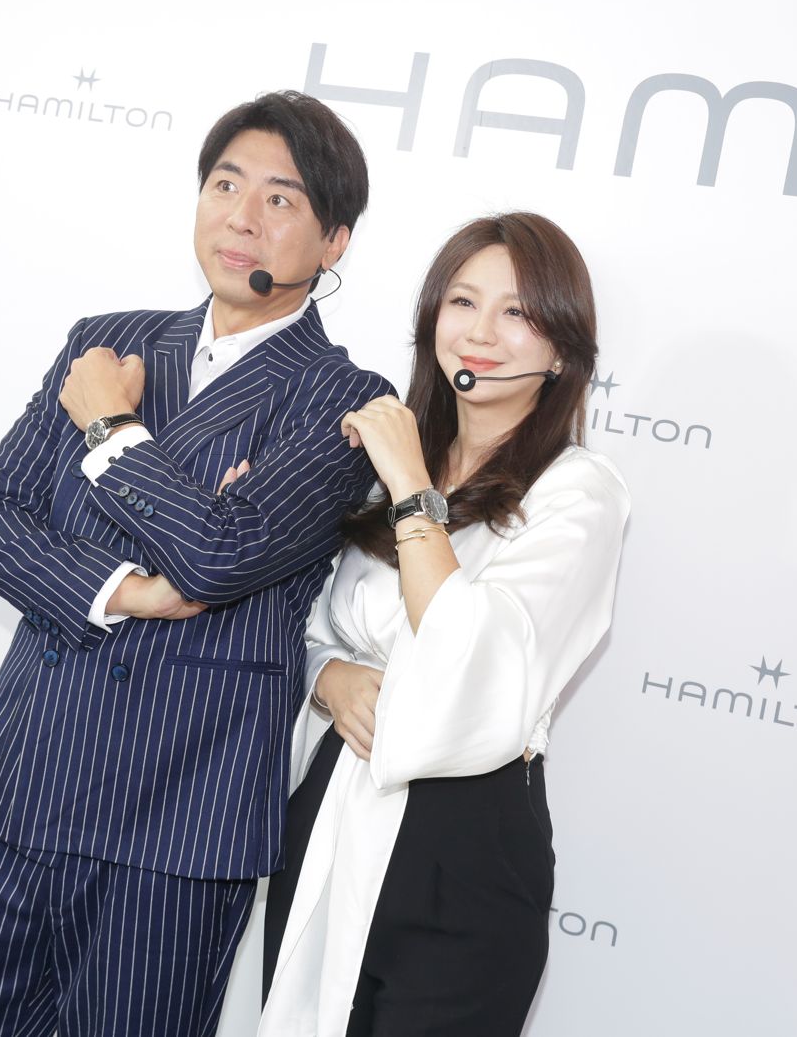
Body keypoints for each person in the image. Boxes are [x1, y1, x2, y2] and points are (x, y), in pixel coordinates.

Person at [0, 91, 393, 1037]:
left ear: (335, 241)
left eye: (281, 200)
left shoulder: (343, 400)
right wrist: (124, 589)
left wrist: (110, 427)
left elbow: (219, 554)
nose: (242, 219)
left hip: (179, 821)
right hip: (25, 776)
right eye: (225, 185)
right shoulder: (109, 340)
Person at [258, 212, 631, 1036]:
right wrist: (327, 677)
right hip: (330, 807)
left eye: (517, 311)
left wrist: (410, 488)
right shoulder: (382, 462)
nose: (481, 332)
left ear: (561, 348)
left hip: (464, 840)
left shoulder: (578, 492)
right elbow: (304, 621)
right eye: (463, 302)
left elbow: (470, 657)